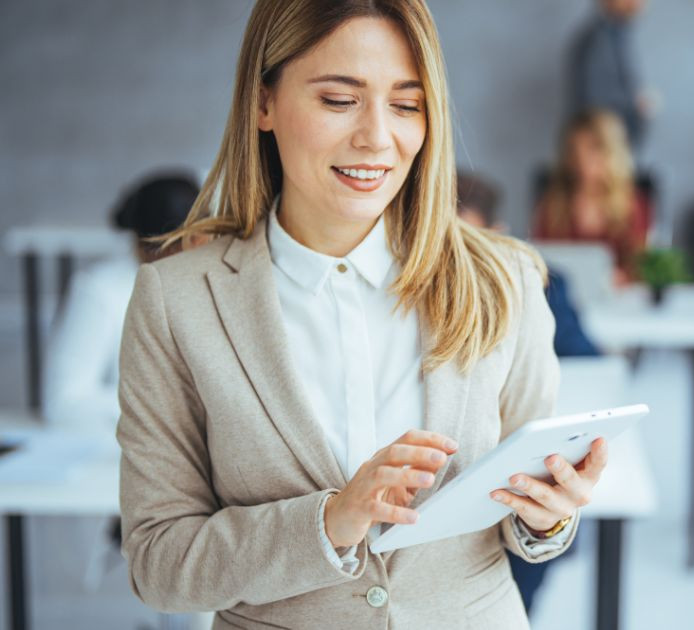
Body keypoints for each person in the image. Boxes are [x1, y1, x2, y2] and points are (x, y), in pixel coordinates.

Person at [116, 2, 611, 628]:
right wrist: (329, 521)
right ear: (263, 103)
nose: (378, 137)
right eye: (339, 100)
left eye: (406, 104)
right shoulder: (177, 300)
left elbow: (525, 515)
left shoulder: (505, 278)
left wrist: (550, 514)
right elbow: (160, 563)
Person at [455, 171, 598, 614]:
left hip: (523, 467)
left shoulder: (537, 280)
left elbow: (587, 361)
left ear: (496, 234)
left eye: (469, 236)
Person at [43, 172, 198, 430]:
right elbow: (63, 403)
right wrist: (167, 407)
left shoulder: (208, 283)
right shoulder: (100, 291)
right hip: (116, 452)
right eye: (174, 244)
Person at [532, 109, 651, 286]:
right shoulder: (552, 204)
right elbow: (540, 260)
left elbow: (643, 266)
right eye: (574, 150)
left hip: (616, 304)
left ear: (611, 151)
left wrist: (622, 278)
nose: (582, 159)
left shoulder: (633, 205)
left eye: (593, 149)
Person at [566, 0, 650, 149]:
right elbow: (594, 102)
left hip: (614, 147)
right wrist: (635, 104)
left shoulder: (618, 35)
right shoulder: (598, 40)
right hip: (602, 150)